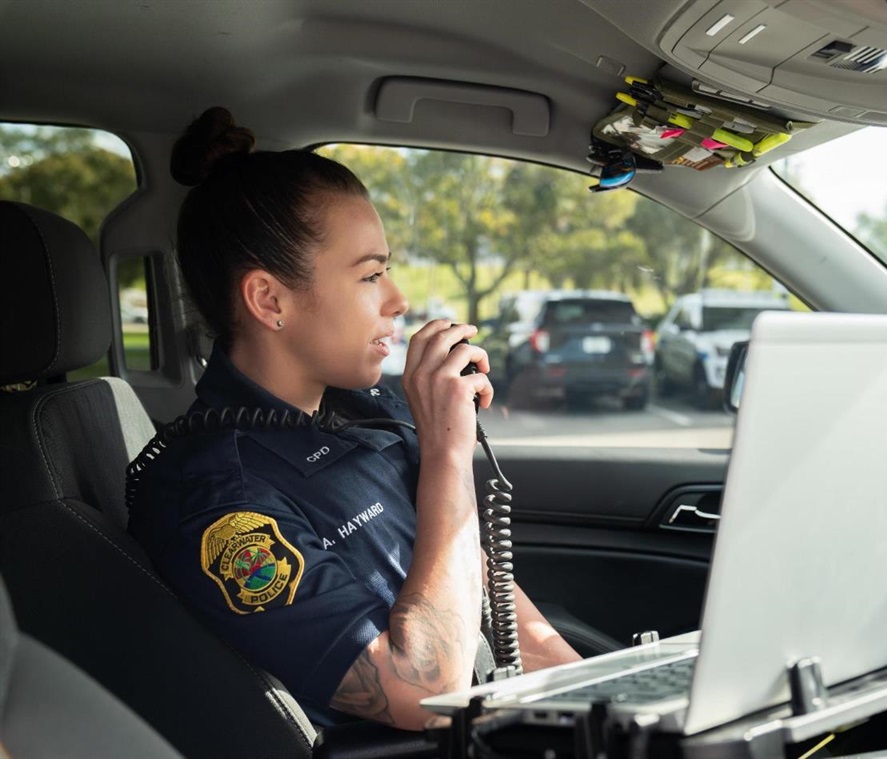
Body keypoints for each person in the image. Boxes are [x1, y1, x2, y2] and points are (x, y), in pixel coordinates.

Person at [127, 107, 581, 730]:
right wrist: (448, 454)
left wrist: (614, 709)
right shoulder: (218, 499)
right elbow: (421, 695)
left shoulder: (367, 413)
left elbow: (502, 612)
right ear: (269, 299)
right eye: (370, 274)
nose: (398, 301)